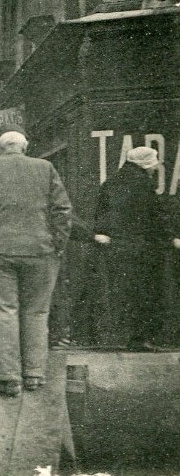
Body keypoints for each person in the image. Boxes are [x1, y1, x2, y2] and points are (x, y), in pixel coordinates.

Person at [0, 129, 71, 398]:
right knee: (36, 312)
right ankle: (34, 374)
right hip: (40, 250)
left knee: (3, 312)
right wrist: (57, 244)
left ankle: (9, 379)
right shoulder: (45, 168)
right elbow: (62, 210)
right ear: (25, 147)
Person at [92, 147, 180, 351]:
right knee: (147, 294)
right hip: (143, 248)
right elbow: (155, 218)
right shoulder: (143, 185)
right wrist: (171, 238)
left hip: (116, 246)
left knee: (122, 292)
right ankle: (142, 339)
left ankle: (119, 335)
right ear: (146, 165)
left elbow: (101, 216)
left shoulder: (110, 183)